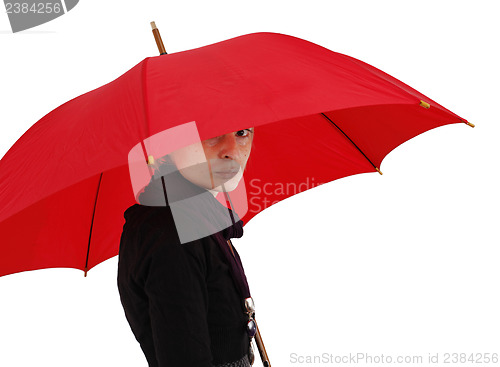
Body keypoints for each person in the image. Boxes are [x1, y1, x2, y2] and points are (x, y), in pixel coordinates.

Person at [117, 128, 255, 367]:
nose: (232, 151)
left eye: (242, 132)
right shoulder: (174, 233)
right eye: (212, 131)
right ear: (168, 144)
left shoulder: (196, 215)